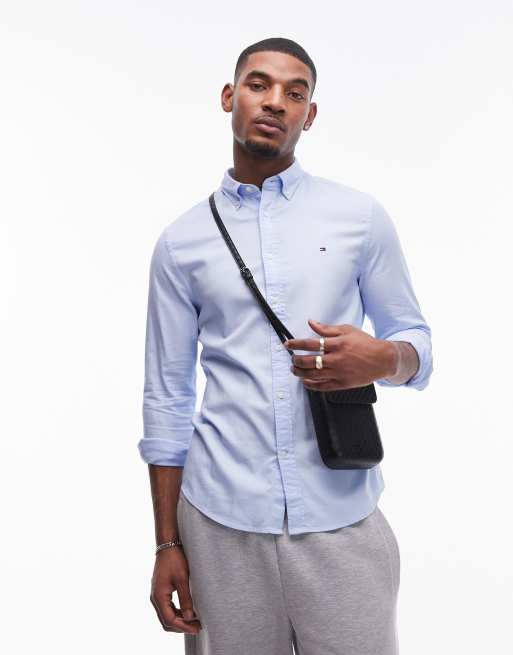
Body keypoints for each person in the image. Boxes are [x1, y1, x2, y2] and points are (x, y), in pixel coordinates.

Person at [137, 37, 433, 655]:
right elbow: (167, 400)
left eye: (295, 94)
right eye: (259, 84)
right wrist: (167, 543)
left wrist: (383, 358)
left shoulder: (359, 217)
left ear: (310, 114)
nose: (275, 102)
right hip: (219, 526)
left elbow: (417, 346)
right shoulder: (181, 242)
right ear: (229, 96)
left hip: (341, 519)